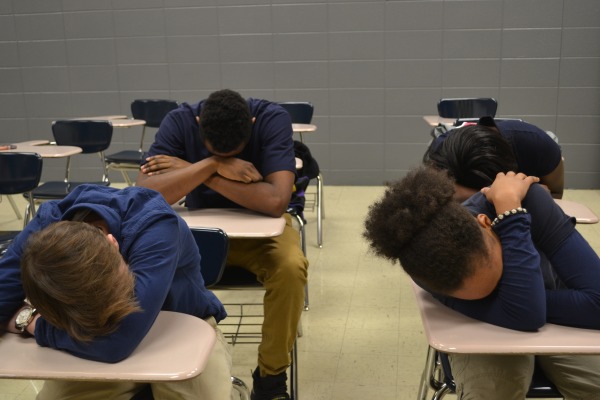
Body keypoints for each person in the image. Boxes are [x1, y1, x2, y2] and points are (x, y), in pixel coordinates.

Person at [363, 166, 600, 399]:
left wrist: (512, 215)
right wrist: (512, 215)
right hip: (494, 328)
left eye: (495, 276)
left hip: (558, 324)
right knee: (493, 391)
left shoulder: (530, 200)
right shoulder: (424, 266)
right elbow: (528, 313)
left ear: (486, 222)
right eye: (483, 294)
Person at [136, 88, 308, 400]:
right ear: (199, 123)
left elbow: (275, 201)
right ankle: (161, 370)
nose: (225, 159)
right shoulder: (179, 121)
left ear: (252, 123)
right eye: (215, 151)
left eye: (233, 154)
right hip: (197, 236)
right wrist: (211, 165)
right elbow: (147, 194)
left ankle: (271, 379)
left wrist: (199, 171)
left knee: (291, 268)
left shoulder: (271, 119)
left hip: (262, 234)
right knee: (145, 262)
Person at [0, 184, 232, 400]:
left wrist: (32, 322)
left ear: (113, 243)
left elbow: (118, 341)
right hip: (90, 331)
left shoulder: (156, 226)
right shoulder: (45, 231)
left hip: (186, 326)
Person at [424, 117, 564, 201]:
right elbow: (434, 192)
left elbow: (555, 194)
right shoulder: (441, 149)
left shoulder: (536, 144)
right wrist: (501, 195)